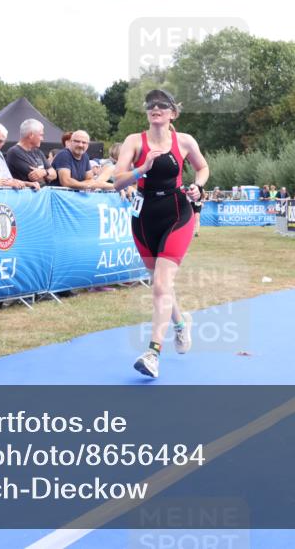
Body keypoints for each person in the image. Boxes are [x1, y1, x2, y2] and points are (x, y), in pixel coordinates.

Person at [112, 89, 208, 379]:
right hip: (144, 217)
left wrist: (198, 186)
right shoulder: (133, 141)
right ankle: (181, 324)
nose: (155, 108)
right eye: (151, 105)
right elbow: (117, 181)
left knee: (160, 285)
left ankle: (153, 353)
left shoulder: (184, 141)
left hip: (177, 212)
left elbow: (202, 168)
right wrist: (142, 169)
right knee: (160, 284)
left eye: (162, 105)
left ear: (172, 114)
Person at [6, 119, 58, 186]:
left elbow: (54, 175)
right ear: (31, 135)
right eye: (41, 135)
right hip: (25, 195)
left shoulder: (38, 152)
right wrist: (47, 173)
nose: (42, 139)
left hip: (42, 195)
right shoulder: (14, 152)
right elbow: (38, 179)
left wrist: (44, 172)